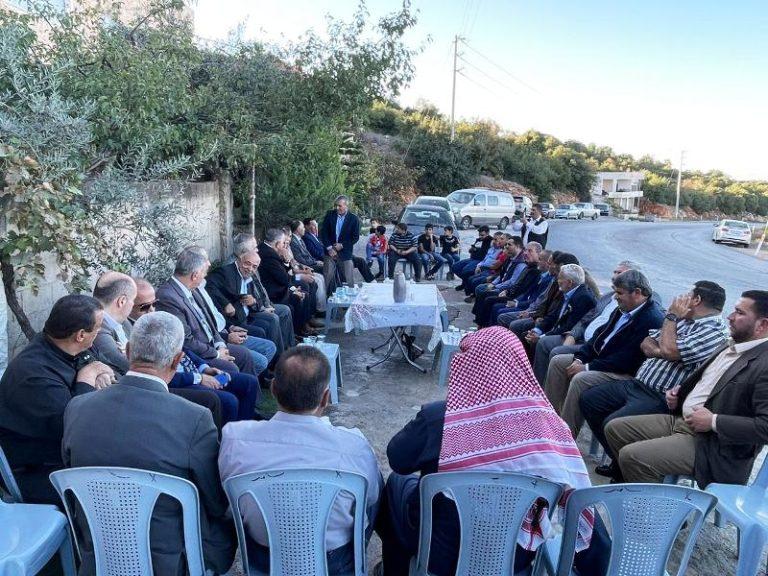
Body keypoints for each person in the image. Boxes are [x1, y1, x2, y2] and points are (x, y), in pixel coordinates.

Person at [377, 327, 609, 576]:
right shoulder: (551, 427)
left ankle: (394, 570)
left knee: (397, 482)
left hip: (440, 555)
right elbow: (580, 502)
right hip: (514, 560)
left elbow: (398, 459)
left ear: (467, 367)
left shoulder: (438, 418)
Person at [62, 312, 236, 575]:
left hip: (99, 553)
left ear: (128, 351)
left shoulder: (77, 407)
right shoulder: (195, 418)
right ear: (177, 360)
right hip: (172, 562)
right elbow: (215, 501)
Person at [219, 346, 382, 575]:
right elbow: (370, 497)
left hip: (264, 558)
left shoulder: (234, 438)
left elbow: (226, 498)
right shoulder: (354, 446)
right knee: (374, 485)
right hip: (334, 562)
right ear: (325, 397)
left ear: (273, 389)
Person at [605, 290, 768, 486]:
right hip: (684, 422)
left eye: (740, 313)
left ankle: (654, 504)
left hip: (713, 446)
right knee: (615, 429)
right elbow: (711, 384)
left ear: (763, 324)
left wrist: (714, 421)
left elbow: (764, 427)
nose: (730, 317)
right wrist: (680, 394)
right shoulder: (732, 343)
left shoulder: (763, 363)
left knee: (633, 456)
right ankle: (635, 488)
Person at [581, 281, 729, 481]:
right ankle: (620, 461)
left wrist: (671, 321)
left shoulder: (713, 331)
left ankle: (626, 469)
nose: (681, 298)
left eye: (687, 295)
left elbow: (669, 350)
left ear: (696, 300)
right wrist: (664, 350)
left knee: (613, 423)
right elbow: (646, 343)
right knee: (590, 400)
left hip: (660, 396)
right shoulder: (685, 320)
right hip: (638, 384)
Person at [0, 295, 114, 504]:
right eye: (98, 329)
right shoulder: (33, 375)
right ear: (80, 335)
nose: (99, 333)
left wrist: (100, 371)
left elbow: (105, 366)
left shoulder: (70, 346)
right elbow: (76, 431)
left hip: (66, 455)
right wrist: (87, 379)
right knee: (115, 492)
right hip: (38, 470)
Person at [543, 269, 664, 438]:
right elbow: (599, 336)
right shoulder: (624, 309)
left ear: (637, 293)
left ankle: (563, 437)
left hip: (622, 372)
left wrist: (587, 367)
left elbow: (626, 360)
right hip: (603, 361)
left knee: (581, 379)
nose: (615, 297)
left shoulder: (651, 319)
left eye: (619, 293)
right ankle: (547, 419)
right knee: (558, 362)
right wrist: (580, 359)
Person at [156, 246, 271, 377]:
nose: (206, 276)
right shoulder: (168, 297)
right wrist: (216, 353)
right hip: (199, 355)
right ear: (195, 275)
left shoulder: (192, 288)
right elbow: (186, 341)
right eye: (204, 272)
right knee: (234, 368)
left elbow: (209, 321)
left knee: (245, 356)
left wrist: (220, 344)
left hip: (214, 343)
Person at [532, 261, 641, 384]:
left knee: (557, 354)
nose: (614, 276)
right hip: (582, 339)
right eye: (614, 272)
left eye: (619, 273)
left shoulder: (628, 306)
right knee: (544, 343)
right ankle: (536, 384)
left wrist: (585, 362)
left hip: (595, 347)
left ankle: (544, 389)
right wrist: (573, 335)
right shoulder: (608, 297)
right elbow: (586, 319)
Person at [206, 240, 291, 356]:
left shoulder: (249, 274)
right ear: (239, 260)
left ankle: (282, 356)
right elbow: (209, 284)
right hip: (235, 319)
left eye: (254, 267)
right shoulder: (226, 271)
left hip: (248, 314)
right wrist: (225, 303)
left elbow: (258, 296)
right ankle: (278, 359)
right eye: (247, 264)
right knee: (265, 327)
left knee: (272, 319)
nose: (250, 268)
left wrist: (254, 301)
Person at [524, 263, 597, 357]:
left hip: (570, 336)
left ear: (570, 282)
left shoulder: (583, 298)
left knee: (542, 343)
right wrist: (537, 330)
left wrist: (541, 337)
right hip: (558, 330)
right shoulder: (569, 291)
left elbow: (569, 326)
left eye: (560, 278)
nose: (558, 281)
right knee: (526, 335)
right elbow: (553, 315)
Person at [258, 228, 318, 337]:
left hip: (280, 285)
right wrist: (293, 290)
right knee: (301, 294)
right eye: (283, 243)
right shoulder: (270, 254)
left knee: (305, 289)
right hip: (274, 293)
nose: (285, 245)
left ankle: (305, 325)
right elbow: (285, 278)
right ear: (277, 244)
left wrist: (287, 262)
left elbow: (284, 275)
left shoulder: (269, 250)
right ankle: (299, 330)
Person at [474, 240, 542, 327]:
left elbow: (523, 290)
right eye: (525, 250)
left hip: (517, 298)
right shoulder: (527, 266)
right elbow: (513, 282)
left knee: (492, 303)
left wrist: (514, 300)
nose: (526, 253)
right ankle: (482, 325)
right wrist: (506, 290)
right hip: (511, 292)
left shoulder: (532, 270)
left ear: (538, 254)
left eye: (530, 251)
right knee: (484, 293)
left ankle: (487, 328)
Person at [90, 271, 137, 373]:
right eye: (133, 300)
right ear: (122, 301)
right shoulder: (97, 329)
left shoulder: (123, 321)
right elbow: (130, 367)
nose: (133, 305)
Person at [491, 250, 553, 327]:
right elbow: (527, 293)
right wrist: (515, 301)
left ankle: (497, 333)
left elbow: (536, 300)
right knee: (495, 305)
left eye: (540, 259)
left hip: (528, 307)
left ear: (547, 263)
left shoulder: (547, 279)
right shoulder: (540, 275)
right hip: (523, 302)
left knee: (501, 313)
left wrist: (517, 304)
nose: (538, 261)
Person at [320, 194, 361, 289]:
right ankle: (324, 297)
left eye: (340, 206)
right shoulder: (330, 215)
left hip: (345, 253)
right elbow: (324, 233)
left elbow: (355, 237)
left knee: (348, 278)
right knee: (327, 277)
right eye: (336, 205)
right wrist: (329, 248)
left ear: (346, 206)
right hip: (329, 252)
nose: (337, 208)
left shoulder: (354, 219)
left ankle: (350, 297)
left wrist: (342, 245)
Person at [451, 225, 492, 291]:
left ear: (487, 233)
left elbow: (483, 253)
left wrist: (475, 250)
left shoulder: (489, 240)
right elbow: (471, 250)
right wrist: (473, 249)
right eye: (479, 235)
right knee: (455, 266)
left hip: (480, 260)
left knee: (466, 270)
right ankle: (466, 282)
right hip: (472, 258)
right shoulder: (479, 240)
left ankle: (466, 284)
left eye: (482, 235)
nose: (480, 237)